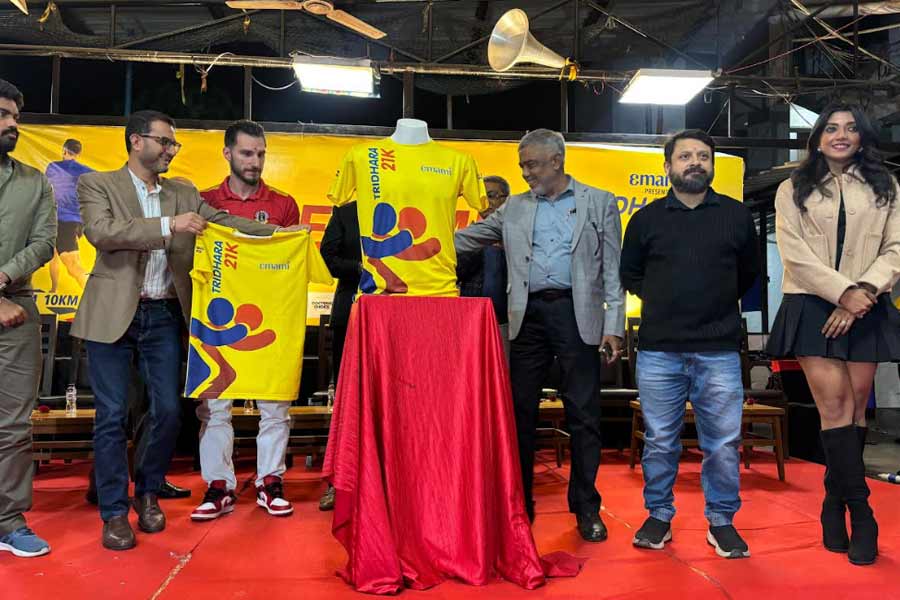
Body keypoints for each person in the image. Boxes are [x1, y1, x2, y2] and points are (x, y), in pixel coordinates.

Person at [71, 110, 287, 551]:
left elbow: (224, 221)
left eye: (174, 144)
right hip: (111, 315)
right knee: (112, 416)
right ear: (136, 141)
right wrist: (169, 225)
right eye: (165, 142)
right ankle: (114, 512)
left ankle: (148, 492)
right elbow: (102, 232)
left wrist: (283, 234)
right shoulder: (98, 184)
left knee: (170, 412)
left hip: (165, 315)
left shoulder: (183, 192)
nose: (171, 150)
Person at [454, 129, 625, 542]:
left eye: (531, 164)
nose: (525, 173)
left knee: (584, 414)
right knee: (518, 414)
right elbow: (465, 239)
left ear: (556, 161)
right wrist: (412, 246)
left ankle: (586, 507)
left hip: (577, 314)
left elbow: (612, 269)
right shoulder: (513, 207)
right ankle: (519, 506)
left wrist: (614, 327)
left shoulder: (599, 201)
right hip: (526, 316)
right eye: (522, 166)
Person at [767, 103, 900, 566]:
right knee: (835, 407)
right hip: (811, 303)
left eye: (850, 128)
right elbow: (793, 252)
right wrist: (842, 293)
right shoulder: (792, 187)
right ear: (818, 138)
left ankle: (832, 502)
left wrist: (863, 291)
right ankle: (862, 514)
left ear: (862, 137)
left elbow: (895, 248)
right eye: (831, 128)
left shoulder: (886, 186)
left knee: (856, 409)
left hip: (868, 303)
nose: (840, 135)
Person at [620, 129, 760, 559]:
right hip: (659, 348)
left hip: (718, 347)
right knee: (661, 439)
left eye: (703, 155)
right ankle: (659, 516)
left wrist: (713, 300)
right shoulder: (646, 220)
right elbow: (630, 273)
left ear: (711, 164)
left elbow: (749, 273)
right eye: (685, 156)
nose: (695, 162)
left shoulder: (736, 216)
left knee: (722, 442)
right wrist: (666, 298)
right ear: (668, 167)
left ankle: (722, 521)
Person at [191, 119, 301, 521]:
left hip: (270, 319)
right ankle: (219, 485)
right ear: (227, 153)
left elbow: (290, 263)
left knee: (275, 406)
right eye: (247, 153)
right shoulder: (203, 201)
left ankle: (270, 481)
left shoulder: (284, 205)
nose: (255, 161)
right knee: (214, 408)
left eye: (260, 154)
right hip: (218, 318)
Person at [0, 79, 57, 558]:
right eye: (3, 114)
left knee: (14, 425)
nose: (12, 124)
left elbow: (44, 242)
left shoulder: (34, 182)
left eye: (16, 117)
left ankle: (9, 521)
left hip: (17, 310)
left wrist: (4, 276)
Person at [318, 201, 361, 512]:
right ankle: (340, 480)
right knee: (347, 397)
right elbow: (328, 258)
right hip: (351, 310)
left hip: (397, 313)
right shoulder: (346, 213)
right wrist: (359, 268)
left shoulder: (406, 204)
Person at [457, 176, 510, 350]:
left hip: (508, 320)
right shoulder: (467, 237)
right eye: (482, 198)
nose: (487, 203)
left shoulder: (518, 233)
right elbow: (458, 274)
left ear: (507, 199)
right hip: (471, 316)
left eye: (492, 196)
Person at [44, 139, 92, 291]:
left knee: (73, 266)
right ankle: (54, 290)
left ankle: (94, 298)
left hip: (63, 221)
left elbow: (46, 189)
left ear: (64, 150)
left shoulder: (53, 167)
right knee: (54, 254)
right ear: (78, 154)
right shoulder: (86, 171)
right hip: (76, 221)